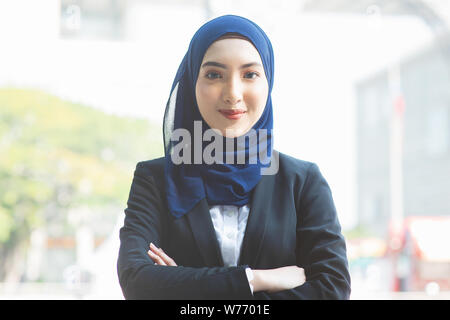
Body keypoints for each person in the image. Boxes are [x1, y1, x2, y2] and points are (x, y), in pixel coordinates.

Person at [117, 14, 351, 300]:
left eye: (250, 74)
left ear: (268, 83)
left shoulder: (301, 182)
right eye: (214, 75)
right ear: (192, 81)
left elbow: (332, 290)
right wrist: (255, 279)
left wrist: (183, 288)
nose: (232, 93)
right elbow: (137, 283)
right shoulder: (153, 180)